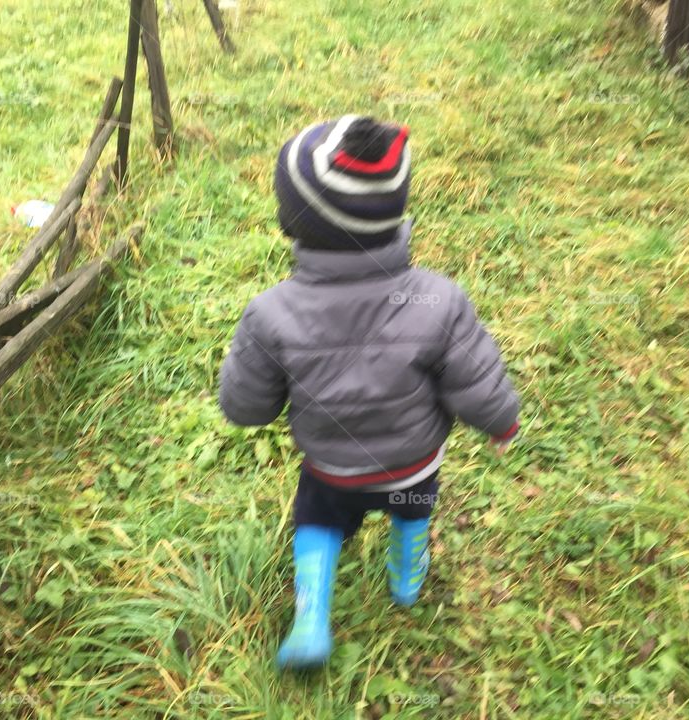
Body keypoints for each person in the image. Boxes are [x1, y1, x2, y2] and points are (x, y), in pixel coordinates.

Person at [218, 115, 520, 670]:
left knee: (319, 523)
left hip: (333, 470)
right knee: (410, 513)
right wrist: (502, 422)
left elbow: (245, 407)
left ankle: (311, 620)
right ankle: (405, 580)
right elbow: (476, 380)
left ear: (294, 222)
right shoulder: (439, 300)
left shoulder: (271, 313)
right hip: (411, 466)